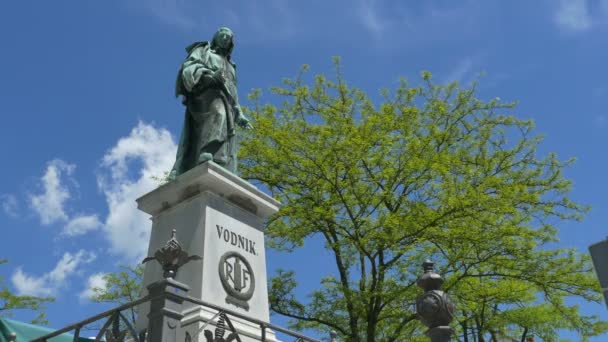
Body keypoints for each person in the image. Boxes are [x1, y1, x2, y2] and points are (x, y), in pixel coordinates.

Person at [169, 27, 252, 180]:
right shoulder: (203, 51)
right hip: (204, 94)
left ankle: (216, 159)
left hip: (225, 100)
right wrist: (208, 75)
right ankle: (207, 151)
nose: (225, 38)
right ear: (216, 36)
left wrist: (239, 113)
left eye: (229, 37)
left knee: (225, 125)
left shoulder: (231, 66)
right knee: (218, 113)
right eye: (223, 35)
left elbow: (233, 91)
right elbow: (188, 68)